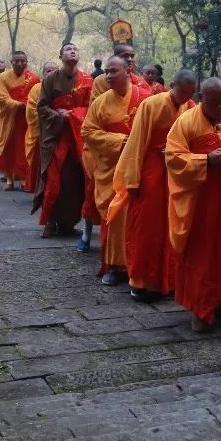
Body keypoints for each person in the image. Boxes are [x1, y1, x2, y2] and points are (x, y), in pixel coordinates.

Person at [113, 69, 198, 302]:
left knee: (172, 226)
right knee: (146, 229)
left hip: (174, 174)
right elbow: (137, 141)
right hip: (150, 172)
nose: (185, 97)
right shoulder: (152, 104)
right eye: (183, 91)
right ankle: (140, 281)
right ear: (172, 84)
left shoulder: (190, 107)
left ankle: (167, 281)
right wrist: (132, 178)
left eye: (190, 93)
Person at [165, 77, 221, 332]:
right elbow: (173, 158)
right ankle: (199, 308)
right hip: (199, 203)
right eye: (216, 102)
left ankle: (218, 303)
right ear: (201, 98)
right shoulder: (186, 122)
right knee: (201, 255)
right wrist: (205, 161)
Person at [81, 55, 151, 285]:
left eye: (114, 71)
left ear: (127, 72)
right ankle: (115, 265)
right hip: (111, 168)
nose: (109, 76)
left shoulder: (145, 99)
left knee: (141, 218)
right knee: (116, 217)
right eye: (107, 72)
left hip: (140, 168)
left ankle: (138, 264)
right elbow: (88, 132)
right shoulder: (100, 103)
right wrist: (120, 141)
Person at [34, 44, 94, 243]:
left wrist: (76, 114)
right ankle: (50, 221)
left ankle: (68, 223)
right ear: (60, 55)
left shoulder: (87, 80)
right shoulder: (51, 79)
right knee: (53, 180)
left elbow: (92, 108)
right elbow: (41, 106)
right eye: (68, 49)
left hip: (78, 137)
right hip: (56, 137)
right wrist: (57, 114)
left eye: (75, 49)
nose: (72, 52)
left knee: (75, 182)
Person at [0, 51, 39, 192]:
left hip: (26, 119)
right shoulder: (3, 77)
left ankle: (25, 179)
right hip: (8, 119)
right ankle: (9, 179)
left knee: (24, 149)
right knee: (8, 149)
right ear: (11, 62)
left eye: (22, 61)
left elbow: (37, 97)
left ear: (26, 62)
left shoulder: (34, 78)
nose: (19, 63)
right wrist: (17, 104)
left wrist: (27, 105)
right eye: (16, 61)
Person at [24, 61, 56, 195]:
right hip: (40, 132)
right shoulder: (37, 88)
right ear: (43, 73)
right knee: (38, 163)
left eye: (54, 70)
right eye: (48, 71)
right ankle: (39, 188)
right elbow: (32, 110)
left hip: (57, 132)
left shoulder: (63, 88)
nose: (51, 73)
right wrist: (51, 119)